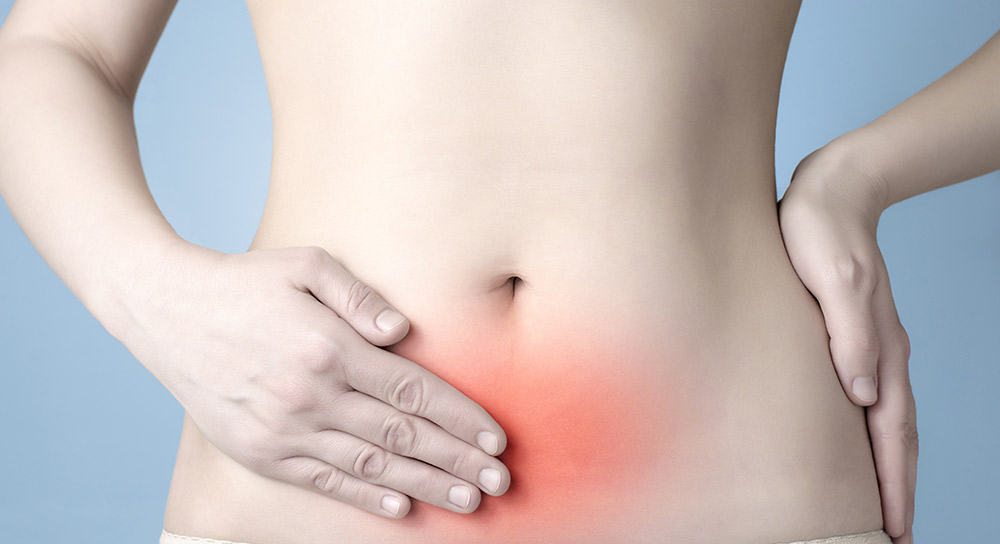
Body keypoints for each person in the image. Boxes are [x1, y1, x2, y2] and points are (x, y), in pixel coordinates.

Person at [1, 1, 996, 542]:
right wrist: (155, 298)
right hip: (309, 511)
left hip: (735, 502)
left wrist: (854, 178)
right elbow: (57, 44)